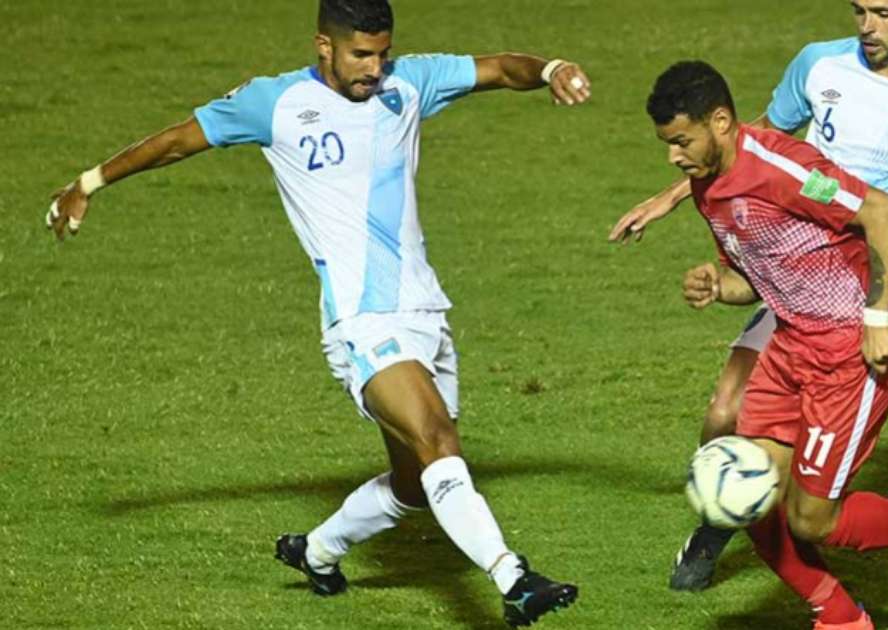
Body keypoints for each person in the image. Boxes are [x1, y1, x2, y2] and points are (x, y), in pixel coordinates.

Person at [45, 1, 590, 625]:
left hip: (426, 312)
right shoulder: (272, 103)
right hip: (362, 323)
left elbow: (498, 69)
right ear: (324, 47)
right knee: (438, 437)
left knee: (416, 482)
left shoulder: (409, 83)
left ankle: (318, 550)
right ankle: (513, 576)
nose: (375, 67)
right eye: (361, 54)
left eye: (383, 52)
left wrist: (549, 68)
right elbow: (176, 142)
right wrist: (89, 182)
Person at [612, 0, 888, 595]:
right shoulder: (818, 67)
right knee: (724, 414)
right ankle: (722, 515)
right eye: (858, 10)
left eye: (881, 11)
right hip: (809, 269)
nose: (867, 25)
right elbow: (751, 149)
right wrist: (674, 196)